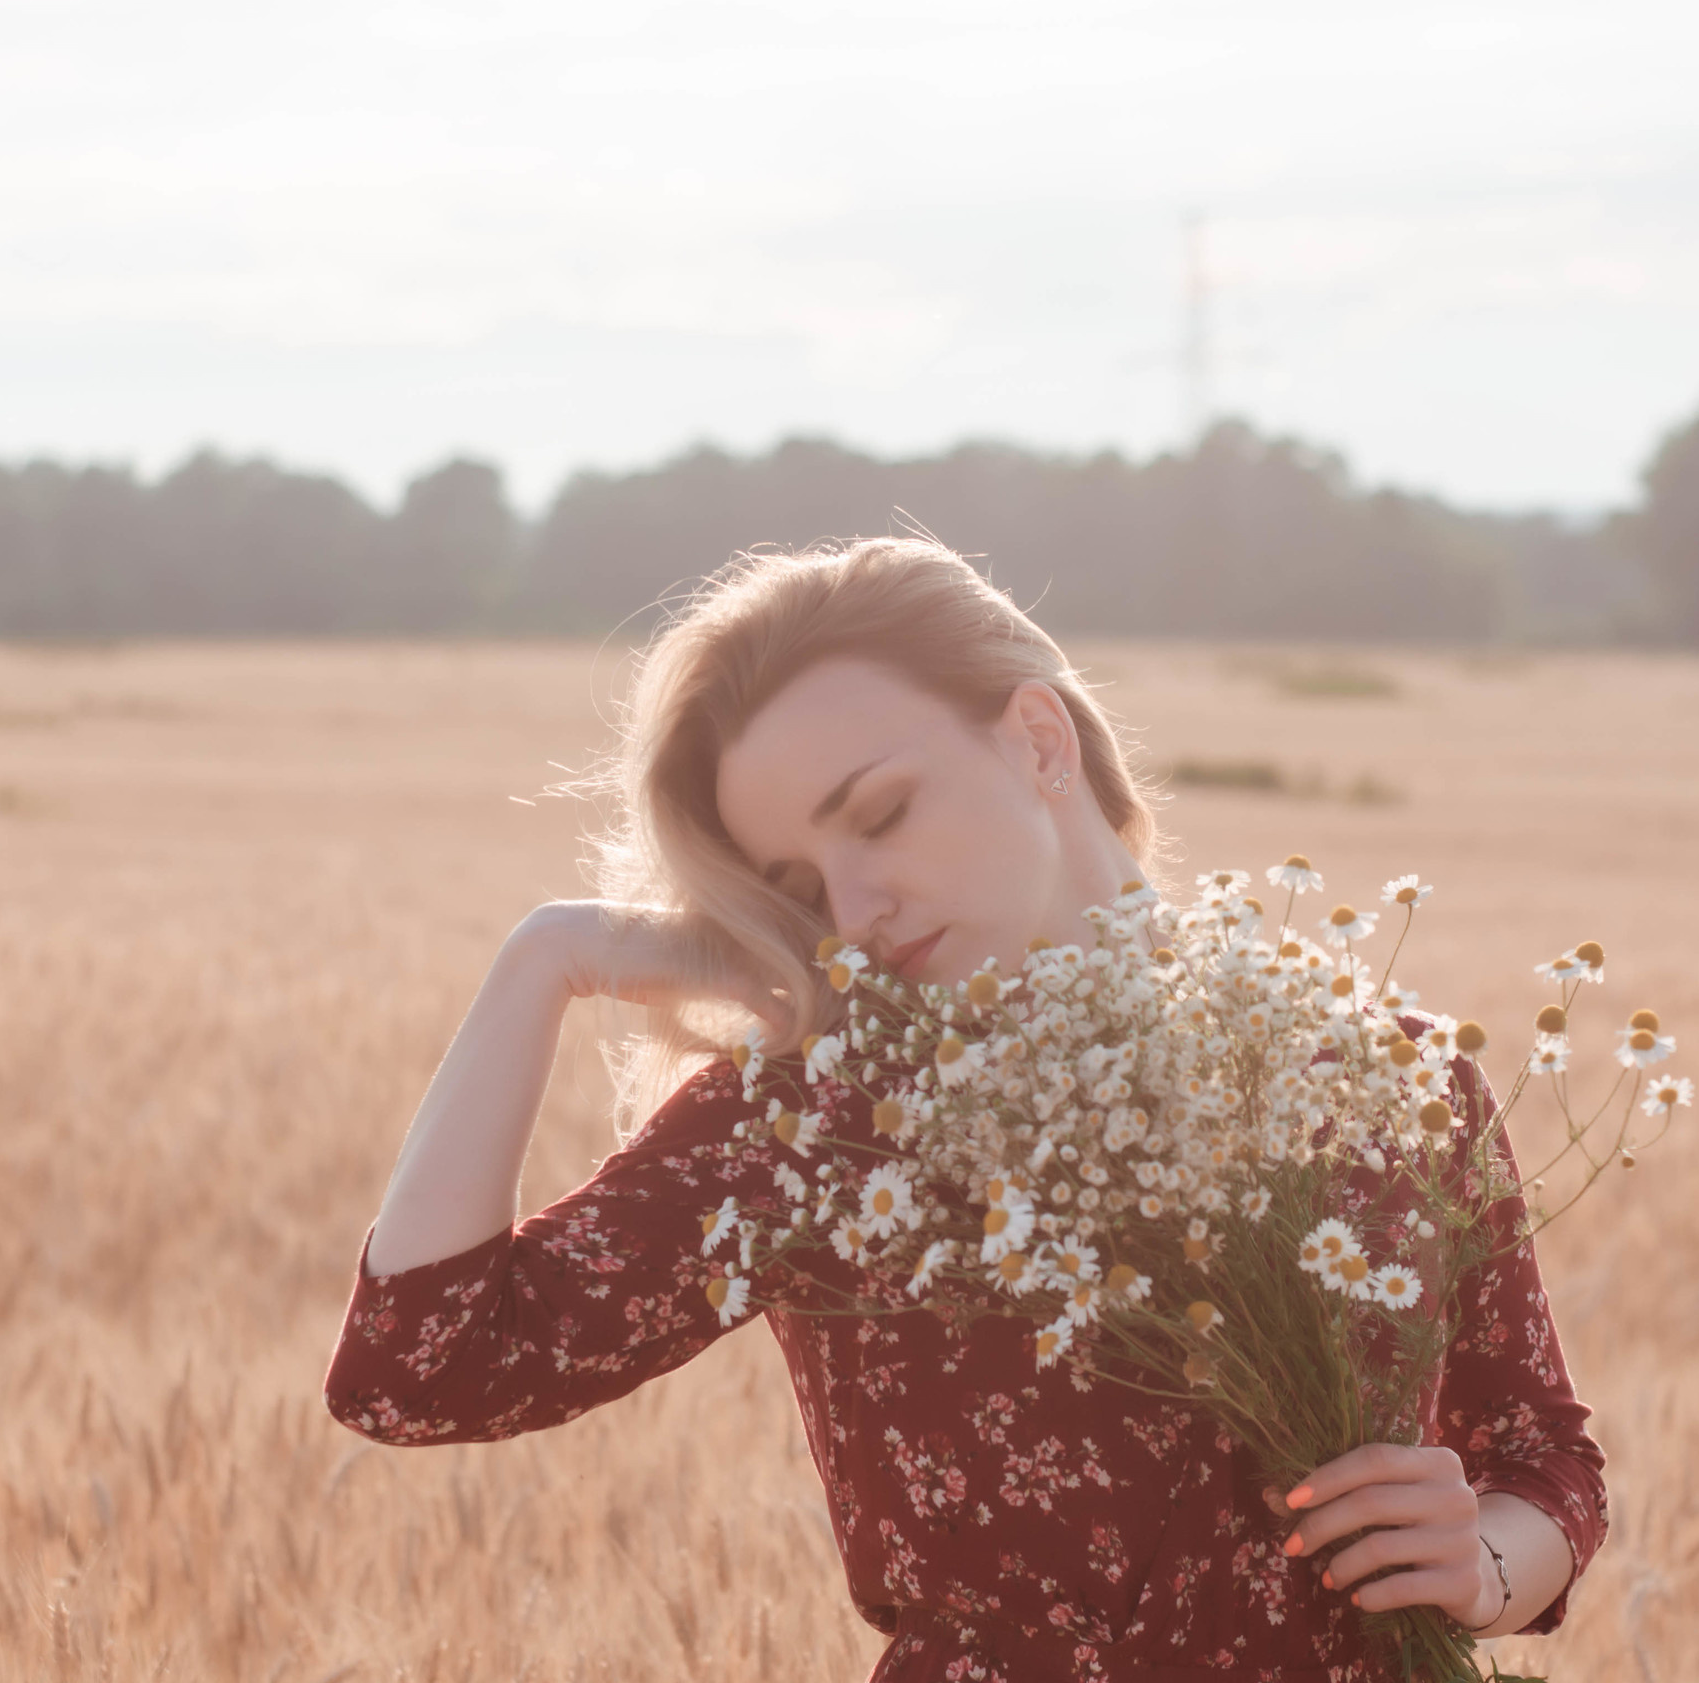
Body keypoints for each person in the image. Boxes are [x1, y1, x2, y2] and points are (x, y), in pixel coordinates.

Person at [322, 537, 1608, 1680]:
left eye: (879, 815)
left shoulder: (1387, 1072)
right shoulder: (822, 1123)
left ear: (1039, 741)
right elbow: (417, 1370)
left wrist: (1481, 1565)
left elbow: (1539, 1457)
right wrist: (543, 960)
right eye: (798, 884)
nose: (855, 907)